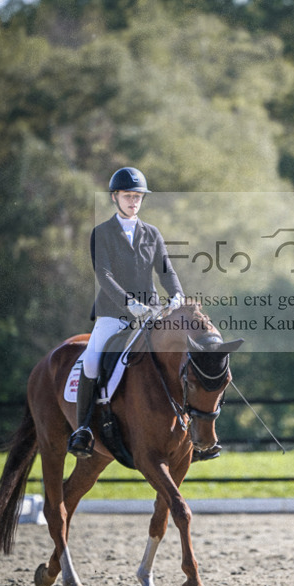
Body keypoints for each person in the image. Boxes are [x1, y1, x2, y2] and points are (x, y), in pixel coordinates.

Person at [68, 167, 184, 458]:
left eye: (138, 196)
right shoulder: (102, 233)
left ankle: (191, 427)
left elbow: (166, 271)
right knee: (92, 361)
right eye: (128, 196)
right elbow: (104, 276)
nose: (134, 201)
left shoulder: (152, 233)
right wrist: (130, 303)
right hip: (113, 314)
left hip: (151, 313)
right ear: (114, 198)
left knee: (179, 354)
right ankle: (83, 429)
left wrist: (178, 294)